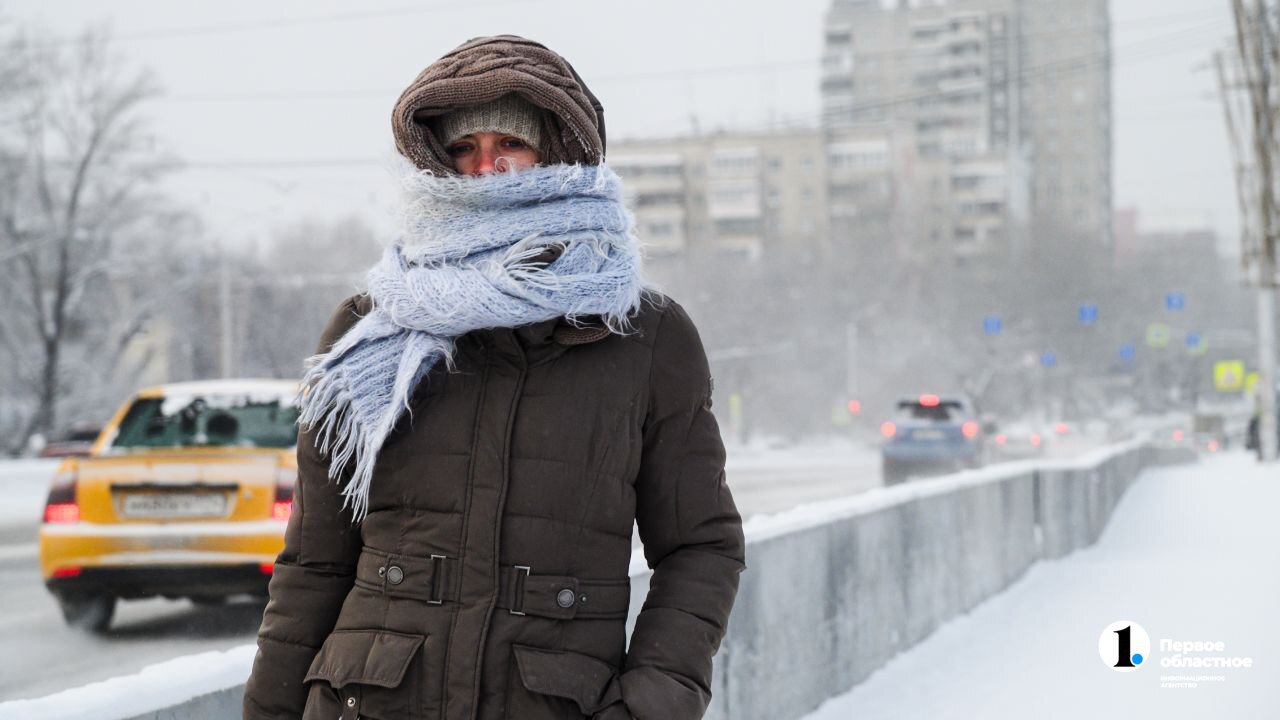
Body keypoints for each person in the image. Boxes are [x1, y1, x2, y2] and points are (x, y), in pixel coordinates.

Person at [243, 35, 745, 720]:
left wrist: (650, 703)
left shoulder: (644, 337)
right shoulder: (373, 328)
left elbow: (701, 547)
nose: (486, 167)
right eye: (463, 147)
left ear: (560, 152)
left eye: (511, 142)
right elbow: (315, 562)